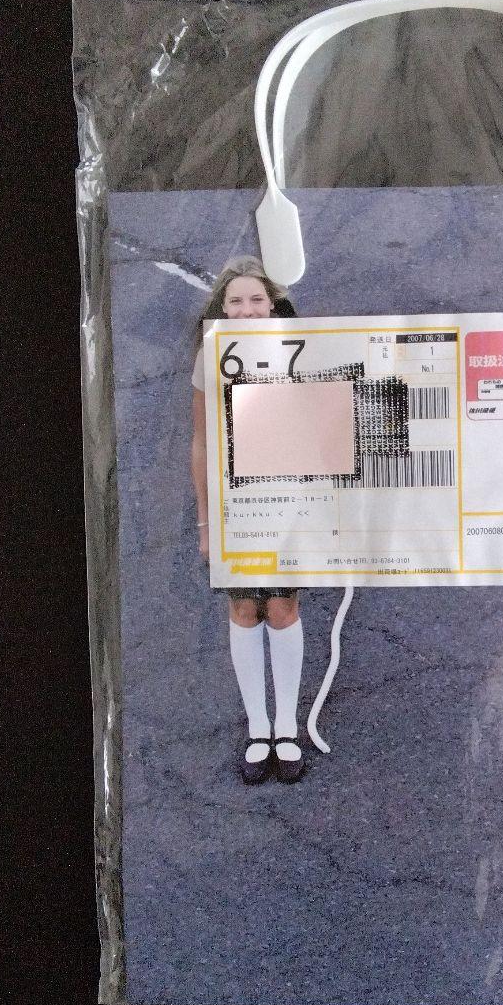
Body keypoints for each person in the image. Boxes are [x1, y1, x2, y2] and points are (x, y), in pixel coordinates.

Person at [190, 256, 305, 784]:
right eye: (235, 300)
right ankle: (258, 728)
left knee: (282, 606)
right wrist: (205, 522)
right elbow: (200, 442)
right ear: (223, 308)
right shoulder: (210, 355)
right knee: (243, 608)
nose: (246, 309)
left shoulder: (301, 349)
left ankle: (287, 728)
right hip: (236, 504)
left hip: (289, 498)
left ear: (273, 305)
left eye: (256, 298)